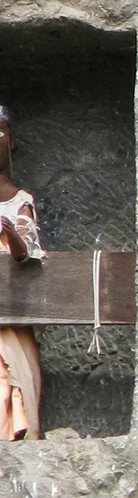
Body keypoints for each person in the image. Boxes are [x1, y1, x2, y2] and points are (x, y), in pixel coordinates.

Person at [0, 106, 44, 441]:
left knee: (10, 380)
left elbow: (26, 249)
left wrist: (11, 234)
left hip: (10, 316)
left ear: (11, 142)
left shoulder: (19, 201)